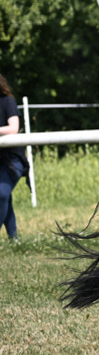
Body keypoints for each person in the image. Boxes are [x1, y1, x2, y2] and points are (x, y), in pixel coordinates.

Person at [0, 74, 27, 241]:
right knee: (5, 197)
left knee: (1, 194)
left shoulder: (7, 101)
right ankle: (14, 240)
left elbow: (13, 128)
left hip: (12, 161)